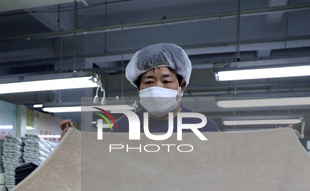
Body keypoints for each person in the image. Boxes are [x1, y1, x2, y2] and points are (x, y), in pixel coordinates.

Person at [60, 43, 218, 138]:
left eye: (166, 81)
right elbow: (104, 165)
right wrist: (73, 145)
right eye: (149, 81)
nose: (157, 88)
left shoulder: (202, 126)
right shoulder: (123, 127)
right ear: (139, 88)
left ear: (181, 87)